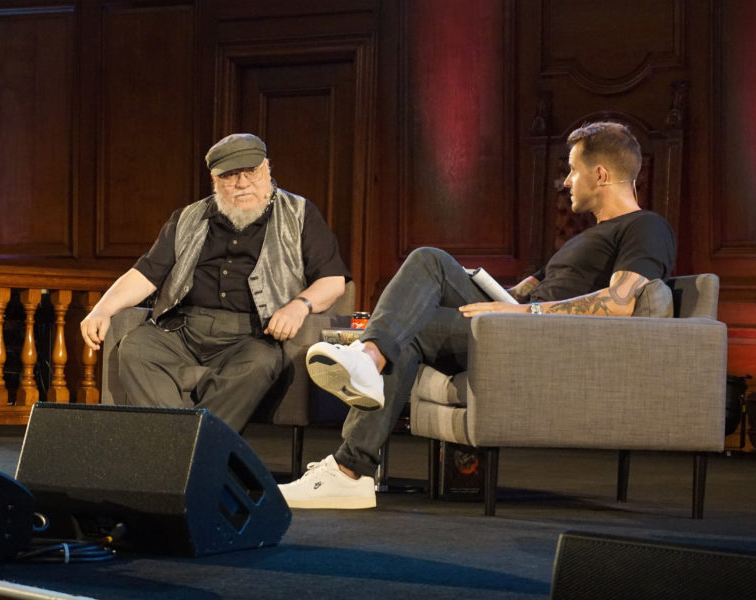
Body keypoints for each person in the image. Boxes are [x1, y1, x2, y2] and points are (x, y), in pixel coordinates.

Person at [279, 121, 676, 509]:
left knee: (424, 275)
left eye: (573, 170)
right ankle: (354, 460)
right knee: (412, 312)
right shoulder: (586, 238)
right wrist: (491, 294)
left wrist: (519, 313)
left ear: (601, 174)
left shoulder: (646, 227)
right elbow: (527, 291)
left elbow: (621, 304)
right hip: (517, 326)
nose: (566, 181)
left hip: (543, 342)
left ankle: (359, 417)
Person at [80, 133, 350, 433]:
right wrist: (101, 310)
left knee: (259, 363)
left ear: (267, 169)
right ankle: (184, 447)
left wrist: (300, 306)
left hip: (253, 334)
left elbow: (333, 281)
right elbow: (146, 274)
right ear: (215, 179)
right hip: (183, 330)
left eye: (252, 172)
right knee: (136, 348)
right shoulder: (188, 217)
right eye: (232, 176)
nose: (243, 184)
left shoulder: (300, 215)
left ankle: (189, 450)